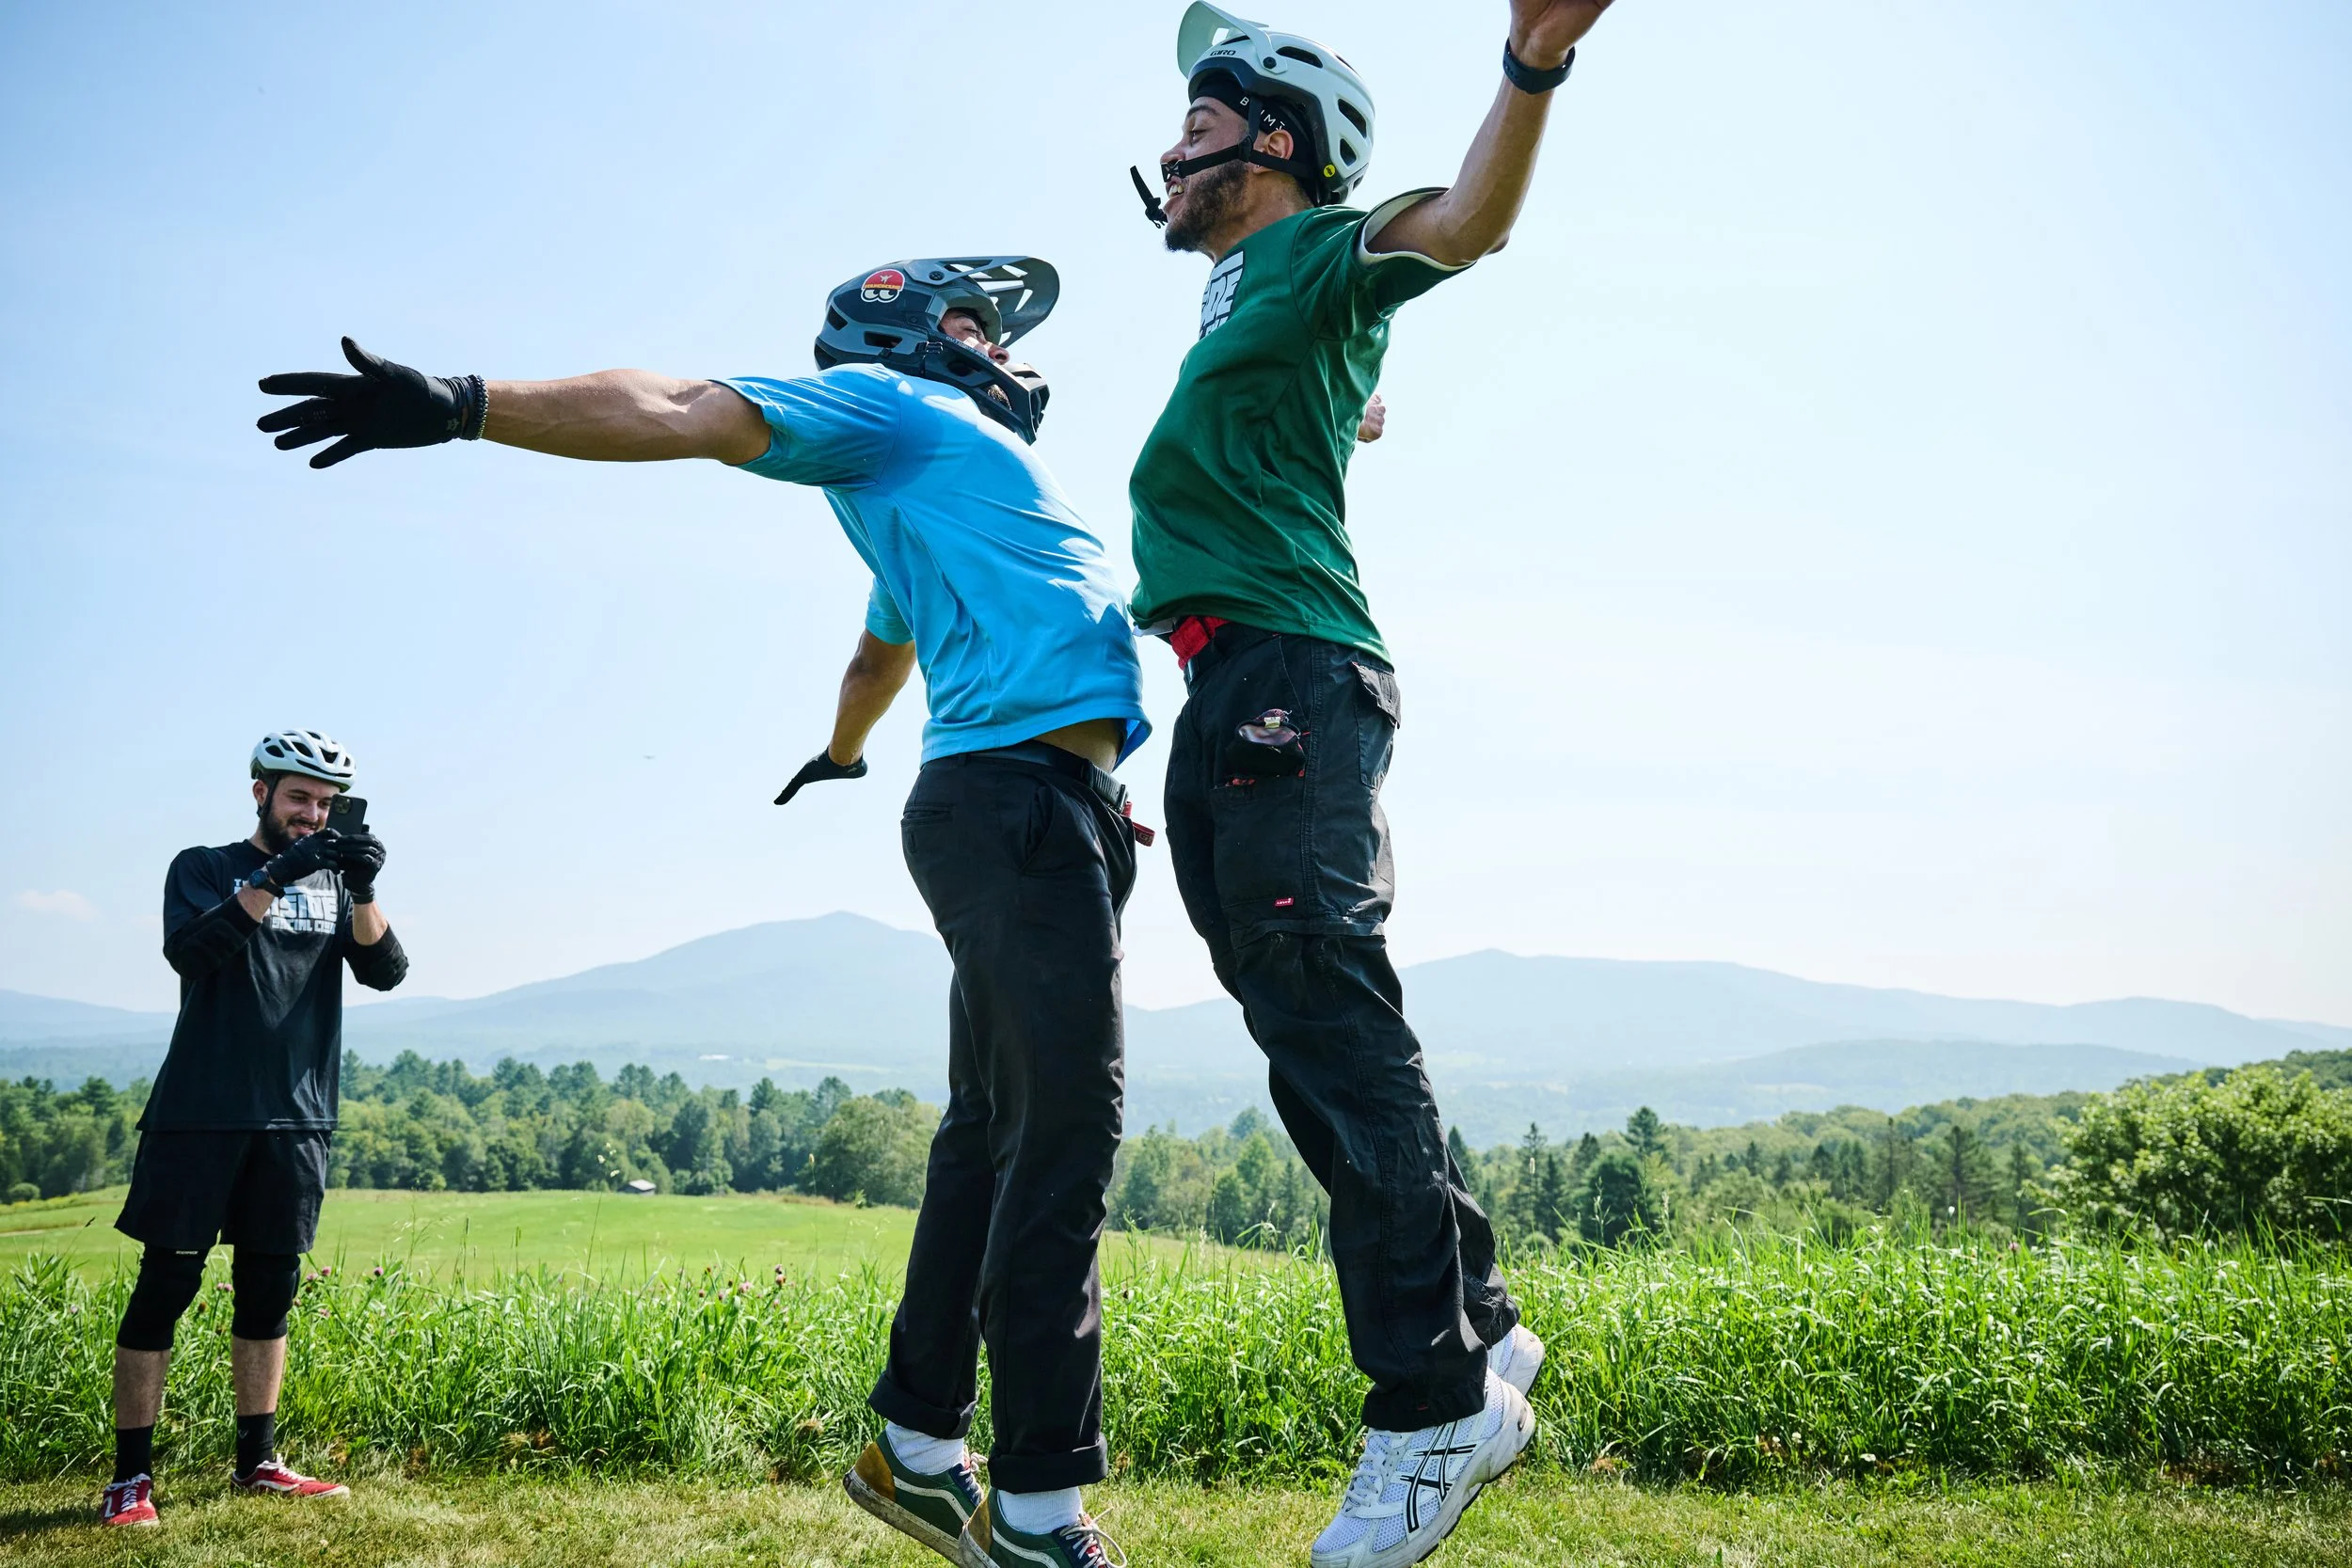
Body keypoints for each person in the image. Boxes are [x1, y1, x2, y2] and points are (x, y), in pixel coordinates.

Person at [255, 264, 1159, 1567]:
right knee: (1066, 1132)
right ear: (908, 332)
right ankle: (1037, 1504)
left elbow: (877, 655)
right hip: (1015, 802)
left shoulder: (927, 491)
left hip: (1026, 794)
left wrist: (848, 750)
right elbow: (682, 401)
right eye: (975, 323)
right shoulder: (890, 407)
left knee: (991, 1132)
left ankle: (915, 1443)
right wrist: (463, 401)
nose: (999, 350)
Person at [1128, 5, 1622, 1563]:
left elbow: (1469, 222)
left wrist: (1532, 61)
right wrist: (1354, 404)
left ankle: (1432, 1403)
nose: (1172, 150)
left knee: (1328, 1000)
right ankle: (1478, 1320)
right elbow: (1331, 393)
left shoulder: (1329, 245)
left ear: (1275, 141)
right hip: (1228, 681)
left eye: (1201, 124)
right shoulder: (1234, 296)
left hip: (1294, 675)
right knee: (1303, 1028)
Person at [102, 730, 407, 1528]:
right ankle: (130, 1481)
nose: (312, 813)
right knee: (165, 1285)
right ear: (261, 792)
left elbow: (386, 970)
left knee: (269, 1288)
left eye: (325, 802)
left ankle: (258, 1460)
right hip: (199, 1111)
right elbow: (191, 953)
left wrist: (364, 887)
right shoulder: (202, 866)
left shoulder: (335, 880)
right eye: (298, 796)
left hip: (297, 1114)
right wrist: (274, 876)